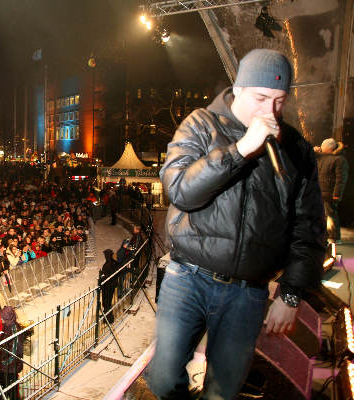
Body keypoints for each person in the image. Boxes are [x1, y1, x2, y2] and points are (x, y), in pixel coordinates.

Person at [144, 49, 325, 399]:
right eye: (261, 98)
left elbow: (310, 226)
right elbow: (180, 191)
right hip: (188, 278)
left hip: (249, 290)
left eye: (279, 100)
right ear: (239, 89)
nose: (269, 111)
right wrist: (241, 150)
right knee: (164, 379)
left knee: (224, 391)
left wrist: (291, 293)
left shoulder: (296, 148)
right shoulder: (200, 124)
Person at [315, 138, 349, 243]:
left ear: (329, 148)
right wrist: (313, 152)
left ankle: (334, 237)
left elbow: (341, 178)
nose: (321, 148)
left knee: (330, 214)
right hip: (321, 191)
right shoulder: (322, 158)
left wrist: (337, 194)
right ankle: (325, 235)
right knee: (323, 215)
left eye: (323, 146)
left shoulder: (339, 159)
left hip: (330, 192)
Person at [0, 306, 25, 400]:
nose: (1, 319)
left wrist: (5, 362)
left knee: (11, 390)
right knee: (2, 388)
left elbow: (15, 350)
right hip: (5, 365)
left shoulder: (14, 330)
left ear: (8, 318)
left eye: (2, 317)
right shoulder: (6, 326)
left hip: (11, 366)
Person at [99, 249, 118, 323]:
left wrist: (102, 277)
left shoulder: (108, 264)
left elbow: (107, 276)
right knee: (108, 302)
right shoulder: (113, 262)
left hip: (108, 286)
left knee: (106, 302)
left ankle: (108, 318)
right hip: (111, 285)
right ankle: (107, 316)